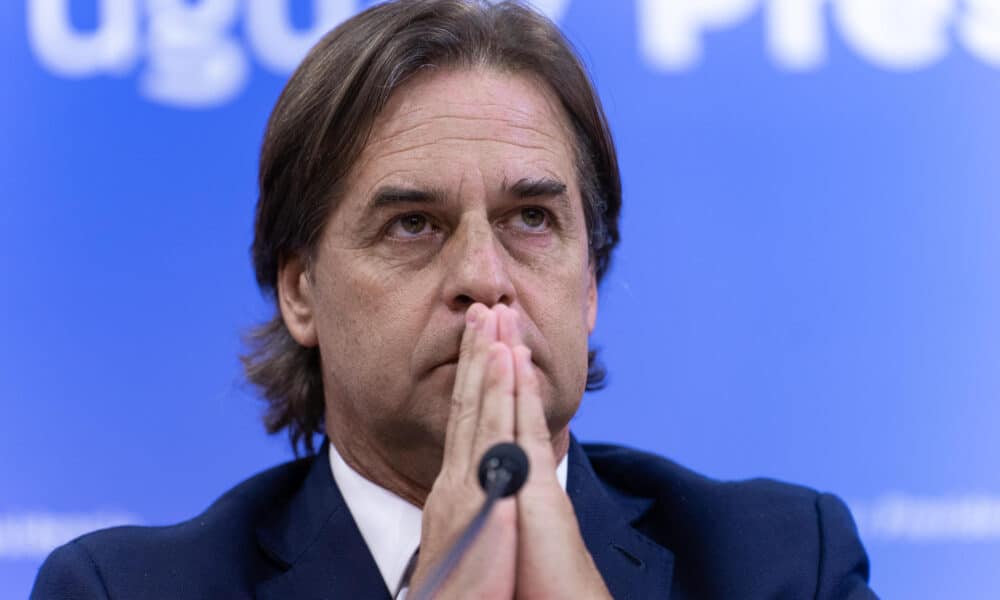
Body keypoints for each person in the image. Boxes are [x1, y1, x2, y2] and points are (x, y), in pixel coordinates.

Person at [31, 1, 878, 598]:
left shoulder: (779, 564)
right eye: (412, 225)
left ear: (588, 284)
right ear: (301, 293)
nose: (485, 274)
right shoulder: (124, 589)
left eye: (532, 219)